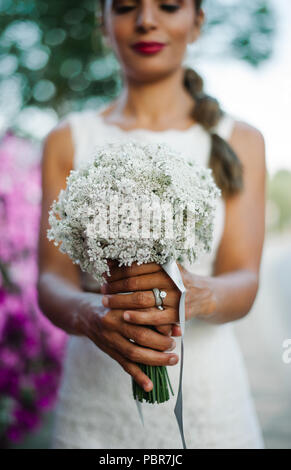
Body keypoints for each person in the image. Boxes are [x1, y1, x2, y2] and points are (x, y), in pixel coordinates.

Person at [37, 0, 266, 449]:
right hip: (94, 409)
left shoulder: (241, 140)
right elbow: (50, 278)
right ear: (102, 23)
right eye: (124, 7)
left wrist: (198, 295)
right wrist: (91, 315)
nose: (146, 20)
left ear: (197, 22)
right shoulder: (67, 139)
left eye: (168, 5)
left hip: (209, 409)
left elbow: (246, 279)